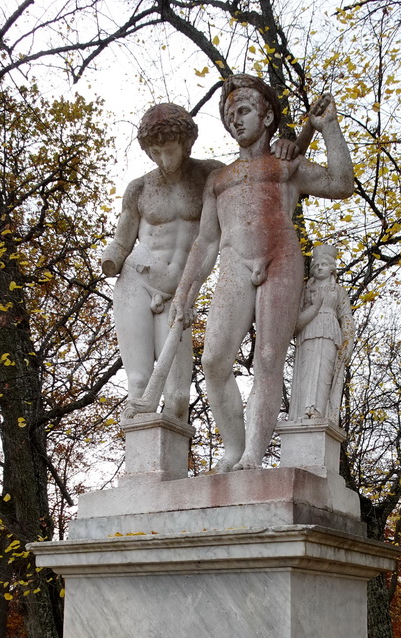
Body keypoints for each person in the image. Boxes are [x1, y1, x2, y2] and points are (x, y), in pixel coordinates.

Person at [169, 75, 354, 472]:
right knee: (215, 361)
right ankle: (234, 448)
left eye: (244, 110)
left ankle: (253, 453)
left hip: (280, 259)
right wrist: (185, 292)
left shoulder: (286, 164)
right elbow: (205, 242)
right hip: (235, 263)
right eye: (229, 115)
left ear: (267, 115)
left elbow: (341, 183)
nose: (236, 120)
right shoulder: (219, 179)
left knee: (269, 359)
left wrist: (329, 128)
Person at [101, 103, 222, 422]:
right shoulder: (140, 188)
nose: (164, 160)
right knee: (138, 383)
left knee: (179, 396)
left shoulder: (211, 176)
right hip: (137, 282)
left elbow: (251, 187)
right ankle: (140, 470)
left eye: (170, 151)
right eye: (155, 152)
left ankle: (169, 472)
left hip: (180, 292)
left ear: (186, 144)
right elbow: (122, 240)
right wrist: (110, 258)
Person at [289, 244, 355, 422]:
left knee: (324, 373)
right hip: (308, 332)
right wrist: (315, 306)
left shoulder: (339, 291)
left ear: (332, 268)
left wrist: (348, 343)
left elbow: (347, 317)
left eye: (324, 264)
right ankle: (303, 411)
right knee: (306, 373)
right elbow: (295, 322)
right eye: (316, 265)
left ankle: (319, 410)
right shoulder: (305, 291)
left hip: (330, 334)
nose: (319, 267)